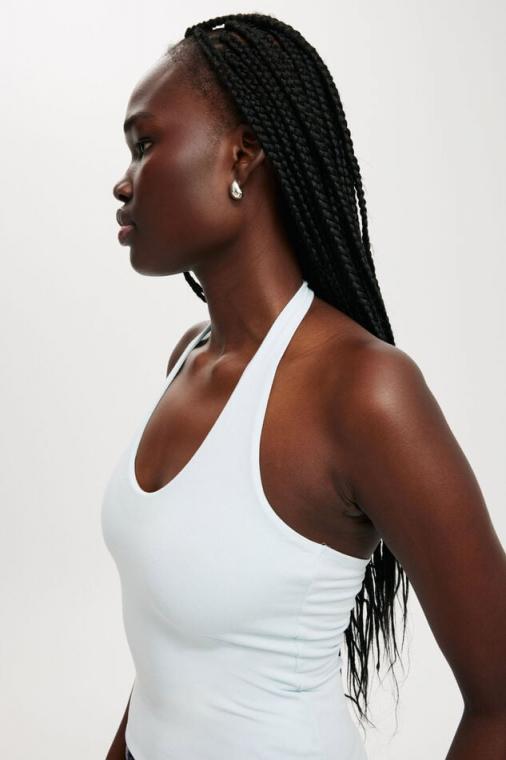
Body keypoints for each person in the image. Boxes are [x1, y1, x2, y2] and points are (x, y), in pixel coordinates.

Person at [102, 12, 506, 760]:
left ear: (243, 153)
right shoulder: (187, 361)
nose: (122, 182)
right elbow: (169, 660)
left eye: (145, 143)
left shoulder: (365, 392)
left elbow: (499, 701)